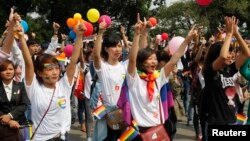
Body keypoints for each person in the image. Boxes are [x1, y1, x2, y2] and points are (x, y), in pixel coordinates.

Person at [125, 13, 197, 140]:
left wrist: (187, 39)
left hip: (157, 130)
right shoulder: (134, 79)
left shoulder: (159, 77)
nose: (154, 62)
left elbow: (174, 60)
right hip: (139, 132)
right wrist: (137, 34)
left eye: (154, 59)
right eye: (150, 59)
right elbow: (132, 60)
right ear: (141, 62)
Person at [16, 17, 86, 140]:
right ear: (39, 72)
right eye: (49, 69)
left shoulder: (64, 85)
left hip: (63, 137)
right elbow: (28, 64)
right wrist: (21, 37)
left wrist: (79, 36)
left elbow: (73, 61)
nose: (54, 72)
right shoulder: (34, 88)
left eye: (56, 68)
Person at [200, 16, 250, 141]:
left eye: (232, 52)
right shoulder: (210, 71)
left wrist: (236, 32)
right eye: (229, 51)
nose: (231, 55)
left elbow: (246, 54)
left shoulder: (230, 69)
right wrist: (228, 34)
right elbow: (222, 57)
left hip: (231, 120)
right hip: (216, 121)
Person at [92, 19, 126, 141]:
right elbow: (95, 56)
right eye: (113, 46)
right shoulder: (103, 67)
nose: (117, 49)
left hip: (124, 114)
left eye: (119, 46)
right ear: (106, 49)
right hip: (108, 115)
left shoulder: (125, 66)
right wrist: (100, 33)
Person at [0, 59, 30, 141]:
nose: (8, 72)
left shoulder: (20, 85)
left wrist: (10, 115)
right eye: (4, 69)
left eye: (10, 69)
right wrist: (9, 121)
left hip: (20, 125)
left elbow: (24, 104)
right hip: (2, 127)